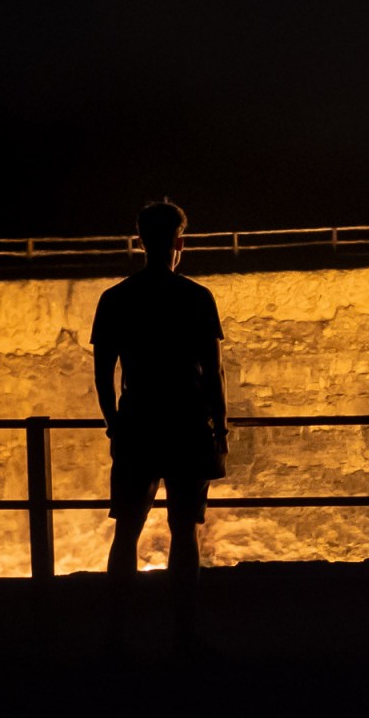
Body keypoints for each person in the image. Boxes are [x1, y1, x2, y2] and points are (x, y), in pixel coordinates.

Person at [91, 199, 228, 644]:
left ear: (140, 242)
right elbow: (214, 372)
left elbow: (103, 371)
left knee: (126, 530)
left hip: (138, 424)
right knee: (184, 531)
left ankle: (115, 634)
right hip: (187, 424)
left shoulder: (115, 299)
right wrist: (219, 431)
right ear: (180, 243)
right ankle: (184, 634)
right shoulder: (196, 297)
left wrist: (115, 422)